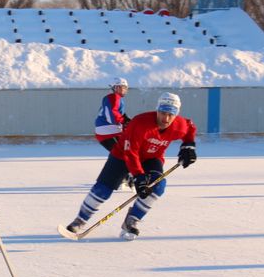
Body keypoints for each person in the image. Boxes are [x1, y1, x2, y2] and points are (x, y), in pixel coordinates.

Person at [65, 92, 197, 241]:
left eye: (170, 115)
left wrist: (188, 145)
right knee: (103, 189)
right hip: (122, 155)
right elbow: (131, 153)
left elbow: (190, 127)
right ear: (157, 109)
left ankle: (132, 220)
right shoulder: (140, 123)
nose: (165, 119)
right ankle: (80, 220)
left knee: (158, 186)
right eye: (162, 113)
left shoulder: (179, 126)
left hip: (151, 158)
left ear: (176, 114)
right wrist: (139, 177)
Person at [94, 77, 130, 152]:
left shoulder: (114, 98)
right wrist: (124, 121)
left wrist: (123, 118)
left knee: (123, 154)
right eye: (119, 87)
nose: (122, 90)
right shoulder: (114, 96)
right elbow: (112, 116)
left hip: (106, 129)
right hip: (108, 130)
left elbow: (113, 112)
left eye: (124, 88)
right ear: (113, 88)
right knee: (124, 154)